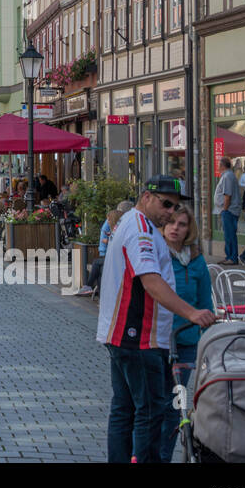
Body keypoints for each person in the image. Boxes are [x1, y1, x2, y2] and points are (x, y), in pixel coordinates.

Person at [97, 176, 216, 463]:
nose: (170, 212)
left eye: (175, 207)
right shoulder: (141, 230)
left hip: (125, 335)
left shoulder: (137, 224)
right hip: (138, 336)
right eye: (166, 204)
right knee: (150, 411)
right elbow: (150, 280)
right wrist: (191, 313)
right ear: (147, 197)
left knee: (124, 409)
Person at [159, 203, 212, 462]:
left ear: (189, 228)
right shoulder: (158, 255)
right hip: (159, 340)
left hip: (188, 341)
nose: (175, 229)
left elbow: (205, 303)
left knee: (175, 405)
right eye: (171, 223)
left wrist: (208, 338)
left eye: (181, 224)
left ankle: (164, 457)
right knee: (155, 405)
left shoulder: (197, 260)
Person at [75, 203, 129, 296]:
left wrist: (108, 241)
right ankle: (100, 294)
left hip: (118, 260)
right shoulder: (114, 229)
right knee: (100, 270)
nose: (107, 221)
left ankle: (89, 286)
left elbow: (119, 244)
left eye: (108, 219)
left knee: (97, 263)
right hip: (113, 257)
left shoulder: (121, 230)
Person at [213, 156, 240, 265]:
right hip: (227, 210)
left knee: (230, 235)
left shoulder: (228, 176)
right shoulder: (227, 175)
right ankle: (229, 256)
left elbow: (227, 195)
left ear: (222, 165)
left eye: (219, 164)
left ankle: (232, 258)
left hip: (229, 210)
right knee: (228, 235)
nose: (218, 166)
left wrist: (224, 210)